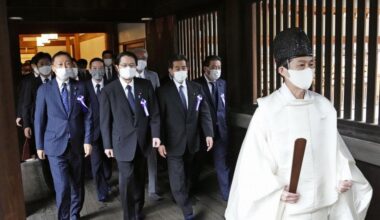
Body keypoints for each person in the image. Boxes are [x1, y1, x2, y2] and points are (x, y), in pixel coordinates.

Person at [225, 27, 372, 220]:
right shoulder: (268, 110)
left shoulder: (323, 106)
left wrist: (342, 174)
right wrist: (275, 192)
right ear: (282, 70)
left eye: (311, 64)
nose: (308, 70)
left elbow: (336, 151)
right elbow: (254, 164)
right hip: (289, 206)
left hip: (323, 203)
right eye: (301, 65)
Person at [100, 51, 160, 220]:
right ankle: (129, 215)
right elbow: (105, 121)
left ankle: (138, 210)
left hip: (143, 142)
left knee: (140, 179)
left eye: (132, 65)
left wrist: (155, 135)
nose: (129, 68)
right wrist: (107, 145)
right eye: (125, 65)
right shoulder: (108, 90)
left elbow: (154, 113)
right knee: (126, 181)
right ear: (117, 67)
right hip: (121, 143)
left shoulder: (145, 85)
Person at [34, 51, 92, 220]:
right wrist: (39, 145)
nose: (64, 68)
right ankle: (64, 217)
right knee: (63, 186)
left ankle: (75, 214)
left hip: (77, 144)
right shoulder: (44, 89)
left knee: (77, 184)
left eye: (68, 64)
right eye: (60, 65)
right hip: (54, 145)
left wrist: (88, 140)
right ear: (52, 68)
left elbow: (88, 115)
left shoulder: (80, 87)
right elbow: (39, 119)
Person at [157, 54, 214, 220]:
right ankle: (186, 209)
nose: (181, 71)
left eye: (184, 68)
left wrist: (209, 133)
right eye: (177, 68)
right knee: (177, 175)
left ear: (188, 69)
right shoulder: (163, 91)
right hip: (172, 142)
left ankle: (182, 195)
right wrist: (160, 141)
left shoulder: (196, 88)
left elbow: (204, 113)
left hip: (192, 140)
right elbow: (158, 118)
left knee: (189, 173)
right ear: (170, 71)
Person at [193, 55, 231, 201]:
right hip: (202, 133)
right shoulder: (196, 85)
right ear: (205, 68)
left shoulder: (223, 84)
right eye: (214, 67)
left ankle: (226, 195)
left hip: (220, 131)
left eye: (219, 67)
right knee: (197, 163)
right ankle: (191, 188)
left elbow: (225, 107)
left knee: (223, 164)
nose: (217, 70)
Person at [21, 52, 54, 189]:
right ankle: (52, 186)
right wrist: (27, 125)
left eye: (47, 64)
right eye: (42, 64)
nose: (45, 67)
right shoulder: (32, 83)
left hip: (57, 124)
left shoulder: (58, 80)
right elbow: (26, 104)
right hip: (39, 125)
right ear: (36, 66)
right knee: (44, 156)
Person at [133, 48, 162, 201]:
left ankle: (152, 189)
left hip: (151, 121)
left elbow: (157, 97)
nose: (141, 60)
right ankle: (136, 189)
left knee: (152, 157)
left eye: (144, 57)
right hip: (134, 124)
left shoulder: (153, 75)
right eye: (138, 57)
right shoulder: (127, 76)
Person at [84, 58, 112, 202]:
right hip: (93, 132)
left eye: (100, 67)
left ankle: (106, 180)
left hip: (110, 131)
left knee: (108, 162)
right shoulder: (84, 87)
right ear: (89, 70)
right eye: (94, 68)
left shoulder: (111, 85)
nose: (97, 70)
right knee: (96, 163)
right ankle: (101, 190)